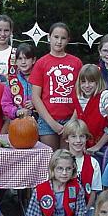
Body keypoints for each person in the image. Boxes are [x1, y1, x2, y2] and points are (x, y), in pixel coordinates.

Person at [30, 22, 83, 150]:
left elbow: (82, 94)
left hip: (71, 119)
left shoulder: (76, 63)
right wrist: (52, 123)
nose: (59, 41)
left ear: (68, 40)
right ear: (49, 37)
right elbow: (35, 97)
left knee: (68, 160)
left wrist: (72, 121)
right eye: (56, 37)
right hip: (48, 120)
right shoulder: (41, 63)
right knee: (51, 160)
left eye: (63, 38)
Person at [74, 63, 108, 167]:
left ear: (98, 81)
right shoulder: (79, 97)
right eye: (83, 82)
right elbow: (75, 120)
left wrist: (98, 146)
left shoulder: (105, 96)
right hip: (88, 145)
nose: (87, 85)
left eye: (91, 81)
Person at [62, 119, 102, 216]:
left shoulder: (93, 163)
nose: (78, 141)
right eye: (73, 136)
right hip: (62, 210)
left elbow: (93, 192)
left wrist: (83, 213)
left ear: (86, 138)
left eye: (82, 136)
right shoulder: (60, 161)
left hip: (87, 208)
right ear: (67, 139)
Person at [1, 43, 37, 120]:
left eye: (26, 58)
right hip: (18, 124)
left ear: (33, 60)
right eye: (20, 59)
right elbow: (5, 104)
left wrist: (36, 104)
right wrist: (17, 112)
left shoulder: (40, 79)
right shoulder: (11, 82)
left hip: (40, 124)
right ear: (16, 61)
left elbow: (48, 99)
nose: (23, 62)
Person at [0, 14, 16, 84]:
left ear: (11, 31)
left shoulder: (17, 54)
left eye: (6, 30)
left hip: (11, 93)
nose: (2, 34)